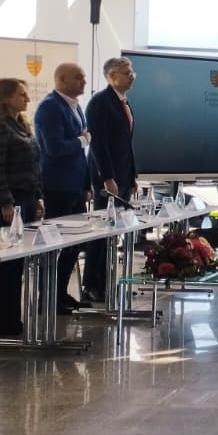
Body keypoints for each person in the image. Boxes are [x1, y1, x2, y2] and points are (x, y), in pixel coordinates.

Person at [0, 78, 44, 339]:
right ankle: (0, 321)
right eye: (21, 95)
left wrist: (38, 197)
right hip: (9, 201)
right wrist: (6, 202)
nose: (27, 99)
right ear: (5, 98)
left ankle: (11, 318)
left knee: (18, 263)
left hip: (27, 197)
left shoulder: (22, 125)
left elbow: (34, 166)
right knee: (7, 265)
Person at [34, 62, 91, 313]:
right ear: (62, 79)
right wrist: (81, 140)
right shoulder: (50, 107)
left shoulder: (76, 106)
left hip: (75, 187)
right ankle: (47, 297)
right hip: (56, 187)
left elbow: (82, 154)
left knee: (73, 244)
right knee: (55, 245)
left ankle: (60, 292)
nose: (83, 82)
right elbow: (54, 148)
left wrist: (86, 183)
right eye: (78, 77)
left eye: (84, 77)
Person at [84, 57, 138, 303]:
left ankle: (106, 282)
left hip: (123, 176)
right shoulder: (100, 102)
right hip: (108, 179)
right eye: (127, 72)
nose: (132, 76)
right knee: (102, 232)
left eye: (132, 71)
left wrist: (132, 175)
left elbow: (126, 144)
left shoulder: (123, 101)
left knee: (113, 233)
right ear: (112, 76)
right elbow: (98, 143)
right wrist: (107, 177)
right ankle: (92, 285)